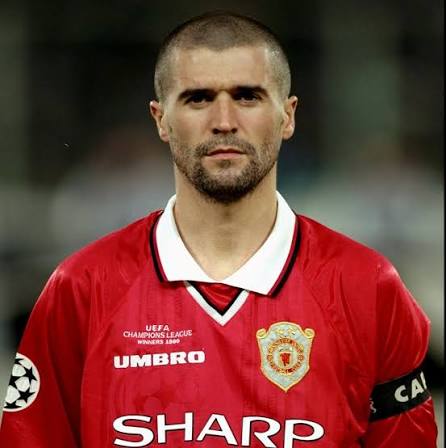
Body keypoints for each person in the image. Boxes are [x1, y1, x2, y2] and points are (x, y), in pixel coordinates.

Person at [0, 11, 437, 447]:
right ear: (160, 119)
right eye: (198, 98)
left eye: (247, 96)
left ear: (287, 116)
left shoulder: (366, 286)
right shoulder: (83, 287)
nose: (224, 120)